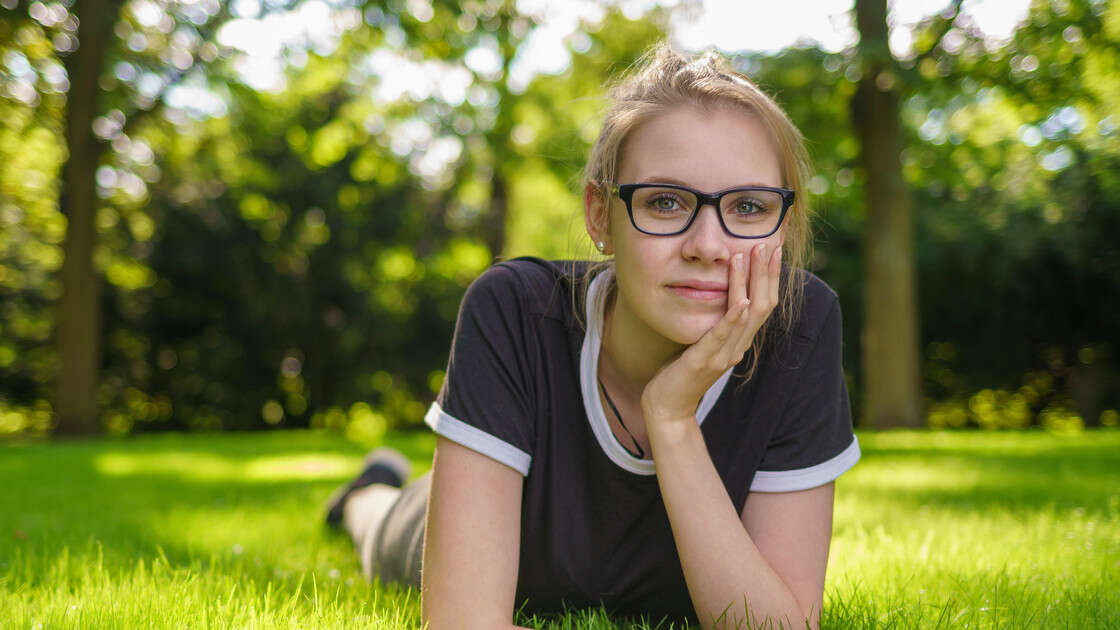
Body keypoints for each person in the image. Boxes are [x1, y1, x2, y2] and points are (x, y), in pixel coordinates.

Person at [324, 43, 859, 629]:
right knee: (379, 521)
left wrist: (672, 416)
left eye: (749, 206)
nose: (707, 246)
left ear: (784, 221)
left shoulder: (800, 329)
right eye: (664, 201)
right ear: (600, 216)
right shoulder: (517, 311)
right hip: (459, 511)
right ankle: (368, 490)